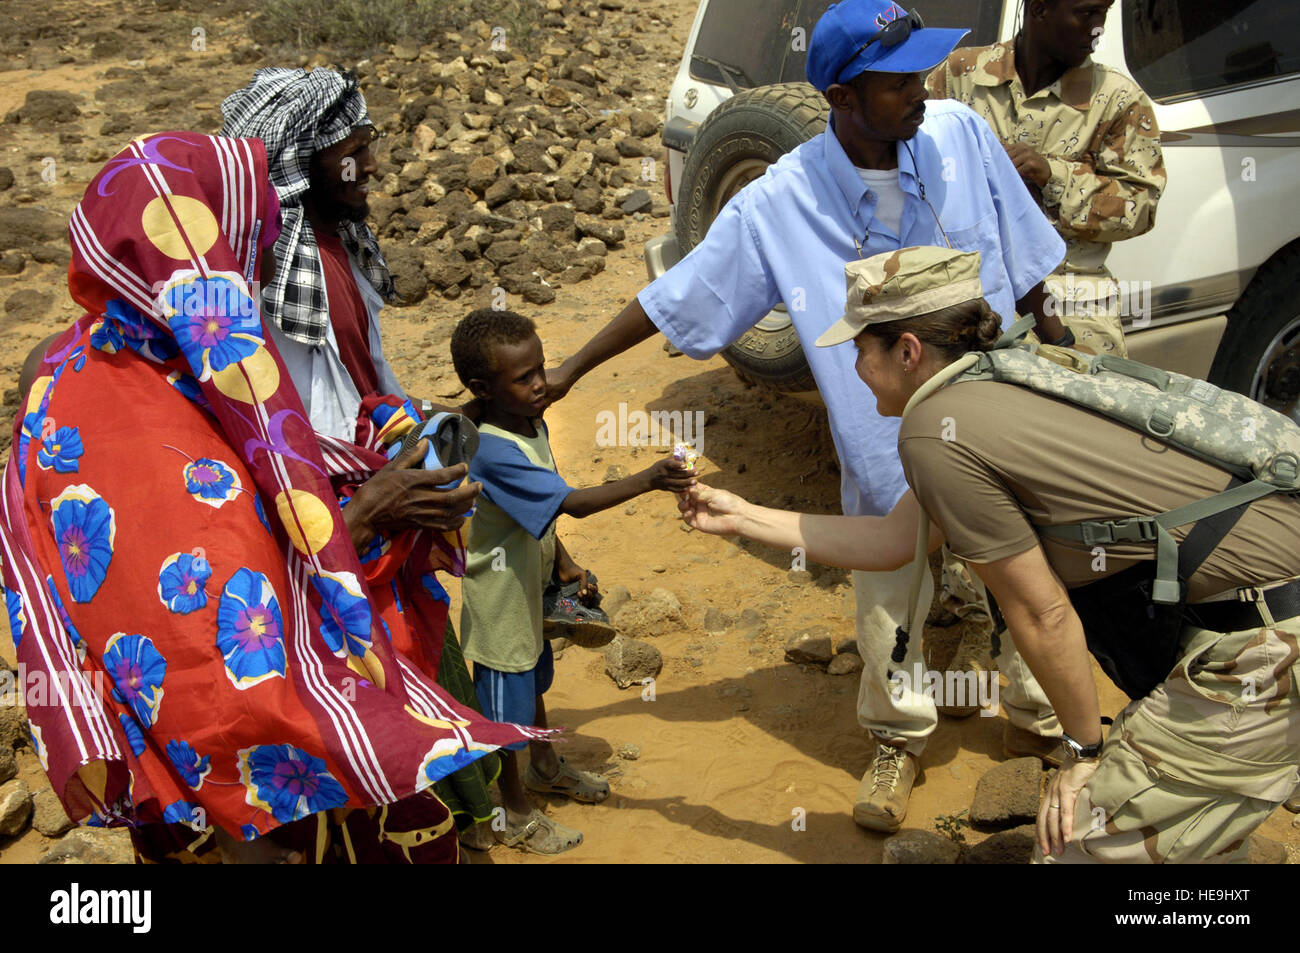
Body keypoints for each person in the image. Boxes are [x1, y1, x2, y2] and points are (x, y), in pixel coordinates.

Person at [544, 0, 1067, 832]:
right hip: (887, 447)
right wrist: (571, 367)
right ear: (843, 98)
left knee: (1032, 578)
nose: (923, 92)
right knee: (890, 596)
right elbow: (682, 295)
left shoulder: (962, 138)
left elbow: (1029, 253)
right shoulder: (777, 204)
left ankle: (1046, 724)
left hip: (1000, 421)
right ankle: (898, 735)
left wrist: (1057, 340)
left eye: (923, 72)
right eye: (900, 82)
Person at [1, 131, 546, 864]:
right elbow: (200, 614)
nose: (256, 256)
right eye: (246, 233)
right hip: (242, 779)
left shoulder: (121, 362)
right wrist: (366, 514)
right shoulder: (128, 396)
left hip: (204, 772)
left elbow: (252, 490)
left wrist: (369, 475)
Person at [681, 245, 1300, 863]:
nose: (853, 370)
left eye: (859, 351)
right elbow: (897, 541)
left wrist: (1083, 753)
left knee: (1076, 847)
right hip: (1252, 612)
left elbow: (1043, 614)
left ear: (907, 351)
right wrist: (741, 517)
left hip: (1263, 648)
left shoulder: (935, 431)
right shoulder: (1009, 374)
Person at [218, 67, 503, 844]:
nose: (371, 164)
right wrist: (365, 506)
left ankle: (467, 822)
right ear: (301, 155)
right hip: (316, 536)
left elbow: (363, 374)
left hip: (377, 507)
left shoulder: (337, 245)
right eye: (355, 148)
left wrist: (414, 449)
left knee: (422, 668)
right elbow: (264, 443)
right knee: (345, 729)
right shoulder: (246, 287)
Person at [450, 308, 696, 853]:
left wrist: (562, 560)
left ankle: (543, 766)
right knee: (501, 719)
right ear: (482, 388)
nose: (543, 384)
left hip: (530, 585)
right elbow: (571, 503)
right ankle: (511, 811)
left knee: (533, 686)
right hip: (500, 601)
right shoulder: (492, 448)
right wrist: (648, 478)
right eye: (524, 377)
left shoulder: (527, 421)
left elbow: (533, 509)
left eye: (541, 367)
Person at [925, 0, 1165, 359]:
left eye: (1104, 13)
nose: (1098, 27)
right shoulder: (959, 75)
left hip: (1069, 287)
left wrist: (1052, 176)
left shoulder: (1117, 99)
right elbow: (913, 163)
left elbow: (1141, 207)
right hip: (963, 280)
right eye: (1087, 13)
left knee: (1087, 391)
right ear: (1039, 9)